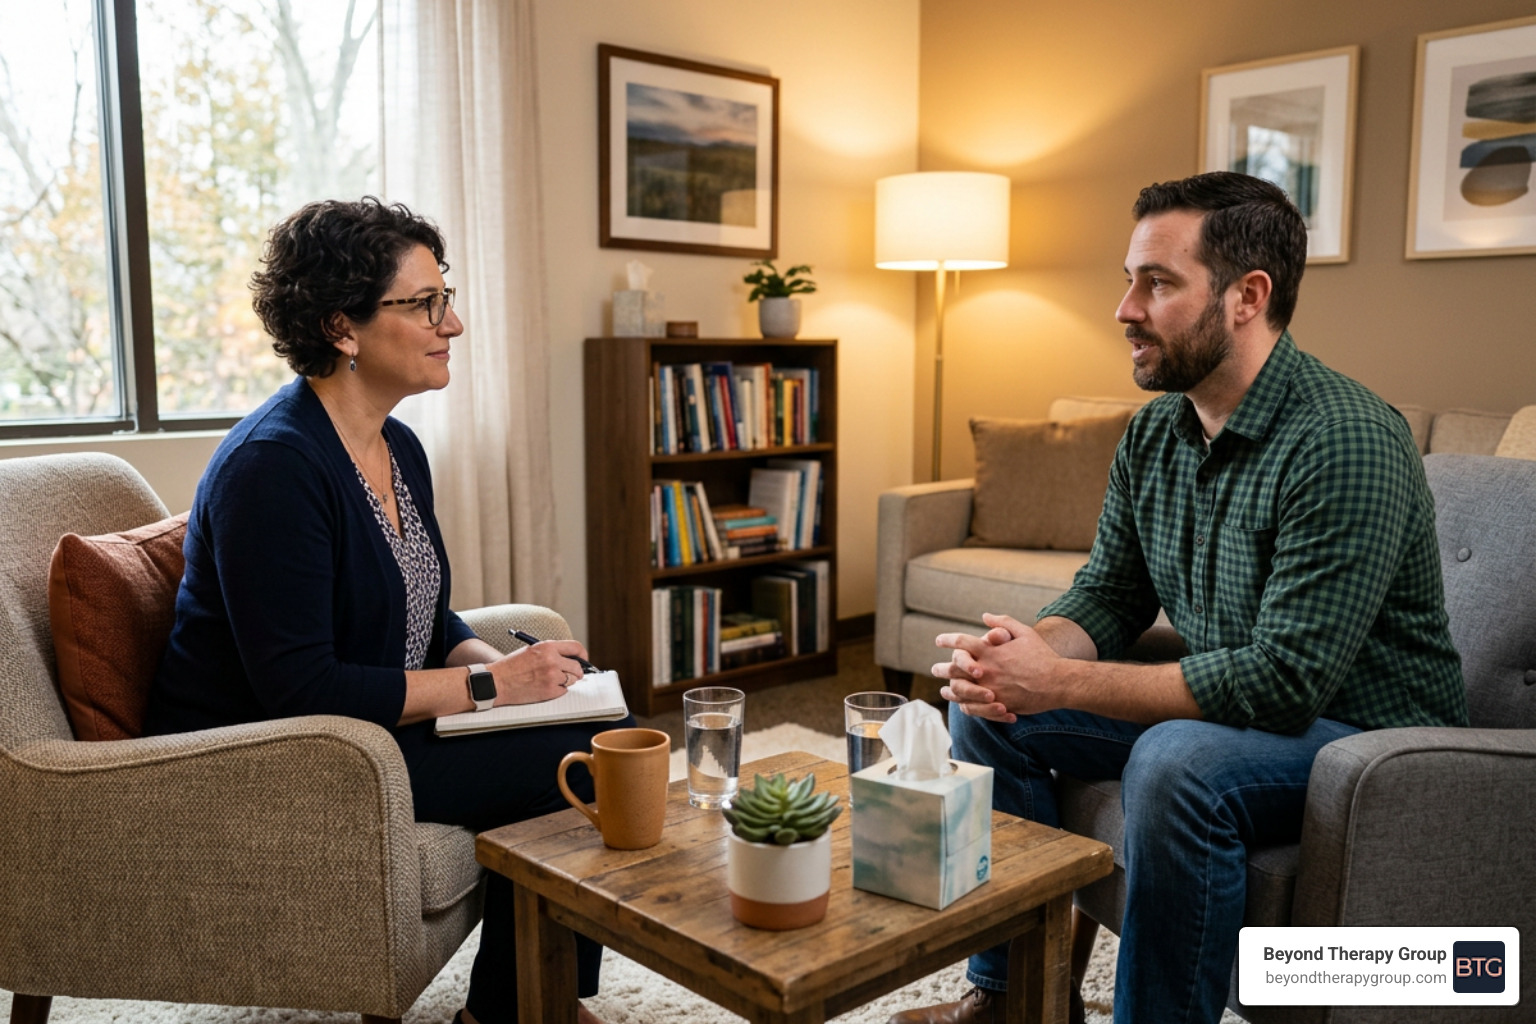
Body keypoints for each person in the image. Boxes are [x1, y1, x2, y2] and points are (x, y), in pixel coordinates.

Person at [887, 172, 1467, 1024]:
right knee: (990, 712)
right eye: (1129, 280)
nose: (1125, 308)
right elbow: (1109, 593)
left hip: (1369, 737)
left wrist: (1064, 684)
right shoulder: (1158, 432)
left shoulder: (1344, 439)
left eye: (1156, 283)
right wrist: (1027, 654)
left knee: (1177, 763)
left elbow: (1283, 682)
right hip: (1256, 707)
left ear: (1246, 297)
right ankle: (1016, 1002)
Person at [145, 197, 620, 1024]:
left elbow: (426, 616)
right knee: (579, 763)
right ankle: (517, 1013)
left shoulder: (395, 445)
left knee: (608, 737)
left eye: (448, 297)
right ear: (343, 327)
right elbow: (300, 686)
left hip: (365, 732)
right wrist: (490, 694)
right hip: (273, 758)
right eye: (426, 304)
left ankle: (522, 1004)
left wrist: (497, 667)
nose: (455, 323)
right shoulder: (274, 469)